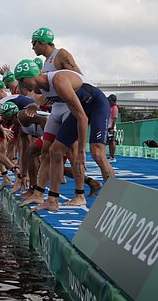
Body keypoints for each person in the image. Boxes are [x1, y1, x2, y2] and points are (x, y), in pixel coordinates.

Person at [14, 59, 114, 211]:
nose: (22, 87)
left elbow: (82, 117)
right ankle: (53, 200)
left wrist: (81, 151)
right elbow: (48, 98)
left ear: (31, 76)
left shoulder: (58, 81)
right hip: (79, 110)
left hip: (96, 105)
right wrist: (36, 105)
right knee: (55, 151)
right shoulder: (42, 87)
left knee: (97, 153)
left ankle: (115, 198)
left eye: (22, 81)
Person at [107, 94, 119, 162]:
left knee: (111, 141)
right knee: (109, 141)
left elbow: (114, 119)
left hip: (111, 127)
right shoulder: (110, 107)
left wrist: (112, 127)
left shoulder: (114, 108)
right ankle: (110, 155)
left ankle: (112, 156)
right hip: (108, 126)